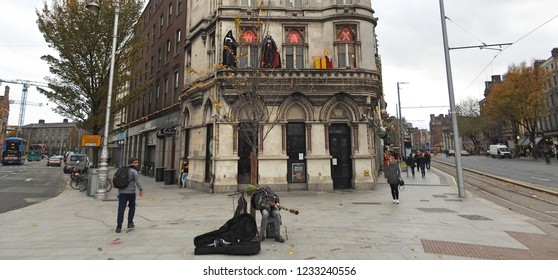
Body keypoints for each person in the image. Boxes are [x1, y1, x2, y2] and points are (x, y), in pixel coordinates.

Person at [116, 157, 144, 233]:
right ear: (131, 163)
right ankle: (130, 223)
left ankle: (119, 226)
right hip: (131, 193)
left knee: (121, 209)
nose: (137, 164)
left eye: (137, 162)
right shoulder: (134, 172)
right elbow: (138, 182)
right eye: (135, 163)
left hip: (122, 193)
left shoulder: (121, 170)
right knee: (132, 207)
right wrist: (141, 190)